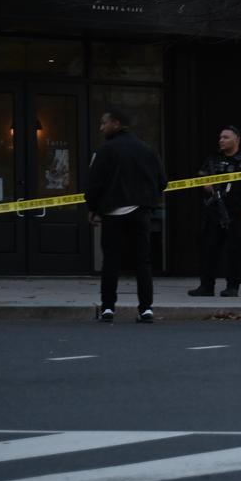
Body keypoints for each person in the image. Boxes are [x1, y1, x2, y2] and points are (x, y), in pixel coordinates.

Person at [85, 109, 162, 324]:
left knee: (111, 261)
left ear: (116, 124)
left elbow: (94, 183)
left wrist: (92, 208)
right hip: (141, 212)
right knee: (143, 262)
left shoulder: (105, 150)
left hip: (112, 212)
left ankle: (108, 308)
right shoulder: (148, 150)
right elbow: (162, 180)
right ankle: (146, 309)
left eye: (104, 123)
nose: (101, 128)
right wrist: (148, 200)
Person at [186, 125, 241, 297]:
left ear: (237, 140)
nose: (221, 140)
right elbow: (201, 176)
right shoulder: (213, 160)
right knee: (209, 249)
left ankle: (232, 286)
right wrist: (205, 183)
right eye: (221, 137)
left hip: (237, 212)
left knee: (236, 251)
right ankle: (206, 286)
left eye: (226, 137)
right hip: (214, 212)